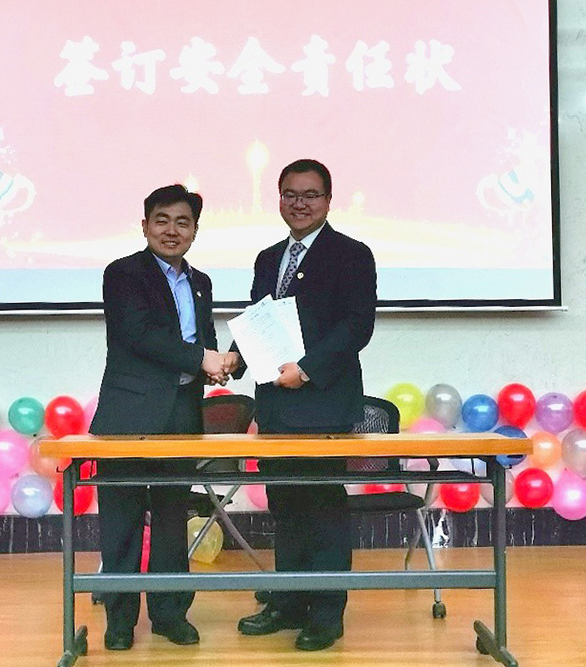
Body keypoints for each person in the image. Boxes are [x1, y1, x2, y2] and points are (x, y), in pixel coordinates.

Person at [225, 159, 377, 651]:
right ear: (279, 199)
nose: (300, 203)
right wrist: (234, 361)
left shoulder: (352, 255)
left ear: (328, 200)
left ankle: (327, 614)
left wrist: (307, 369)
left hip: (324, 404)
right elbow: (258, 322)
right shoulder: (269, 258)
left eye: (310, 194)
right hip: (276, 405)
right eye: (290, 194)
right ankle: (288, 602)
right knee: (286, 506)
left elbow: (357, 327)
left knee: (323, 509)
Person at [89, 183, 228, 651]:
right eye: (162, 220)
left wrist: (218, 365)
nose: (172, 230)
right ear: (145, 225)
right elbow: (139, 334)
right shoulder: (123, 273)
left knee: (172, 520)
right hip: (128, 416)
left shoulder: (201, 282)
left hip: (182, 414)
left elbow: (202, 338)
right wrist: (201, 358)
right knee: (122, 523)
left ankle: (170, 615)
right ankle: (120, 621)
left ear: (195, 230)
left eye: (183, 222)